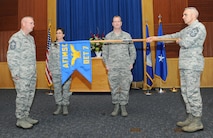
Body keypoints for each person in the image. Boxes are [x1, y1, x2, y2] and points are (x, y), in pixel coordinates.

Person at [147, 7, 206, 132]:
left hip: (193, 65)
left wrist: (180, 40)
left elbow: (186, 42)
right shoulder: (187, 29)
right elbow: (173, 36)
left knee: (192, 92)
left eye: (185, 14)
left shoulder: (198, 28)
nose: (183, 17)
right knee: (185, 92)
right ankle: (190, 116)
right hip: (185, 65)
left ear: (193, 15)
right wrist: (156, 38)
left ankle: (197, 120)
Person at [7, 16, 38, 129]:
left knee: (30, 95)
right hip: (21, 75)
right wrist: (15, 74)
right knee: (22, 96)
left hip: (31, 73)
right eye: (31, 23)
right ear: (23, 24)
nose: (33, 25)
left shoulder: (30, 38)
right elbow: (11, 57)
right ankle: (20, 119)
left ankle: (26, 116)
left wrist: (34, 71)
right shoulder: (16, 38)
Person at [102, 16, 136, 117]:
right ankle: (116, 105)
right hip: (113, 67)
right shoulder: (108, 37)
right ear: (112, 24)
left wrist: (131, 62)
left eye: (118, 21)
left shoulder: (127, 36)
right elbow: (105, 52)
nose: (117, 23)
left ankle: (123, 106)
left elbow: (132, 51)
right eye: (115, 22)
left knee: (125, 87)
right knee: (114, 87)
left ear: (121, 23)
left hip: (125, 66)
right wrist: (107, 64)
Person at [49, 28, 72, 115]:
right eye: (57, 33)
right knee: (57, 89)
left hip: (66, 72)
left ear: (63, 35)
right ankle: (59, 105)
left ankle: (65, 106)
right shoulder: (52, 46)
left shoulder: (68, 45)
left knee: (66, 89)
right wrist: (51, 70)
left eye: (60, 33)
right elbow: (50, 59)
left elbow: (72, 59)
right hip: (55, 71)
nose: (58, 35)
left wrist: (70, 69)